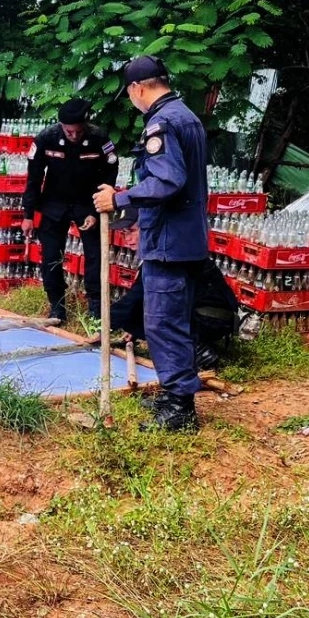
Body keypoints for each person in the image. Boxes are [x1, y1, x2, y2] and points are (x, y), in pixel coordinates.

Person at [93, 55, 208, 432]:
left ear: (137, 89)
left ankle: (179, 408)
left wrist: (120, 199)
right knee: (176, 319)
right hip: (186, 238)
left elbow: (167, 181)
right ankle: (177, 394)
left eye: (130, 95)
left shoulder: (162, 122)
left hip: (169, 242)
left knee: (162, 323)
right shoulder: (187, 116)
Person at [21, 97, 117, 323]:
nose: (73, 136)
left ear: (85, 125)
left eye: (77, 131)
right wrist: (28, 215)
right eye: (68, 131)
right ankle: (56, 307)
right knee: (51, 257)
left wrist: (98, 211)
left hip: (88, 203)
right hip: (54, 204)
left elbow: (110, 173)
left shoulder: (99, 139)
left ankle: (96, 309)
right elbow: (34, 179)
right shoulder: (47, 138)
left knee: (95, 257)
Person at [108, 236, 239, 371]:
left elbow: (134, 299)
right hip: (218, 317)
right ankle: (196, 341)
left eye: (132, 231)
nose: (128, 238)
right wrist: (134, 330)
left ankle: (198, 350)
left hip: (210, 318)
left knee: (143, 314)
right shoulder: (170, 249)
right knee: (144, 310)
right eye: (125, 232)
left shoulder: (161, 257)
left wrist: (105, 325)